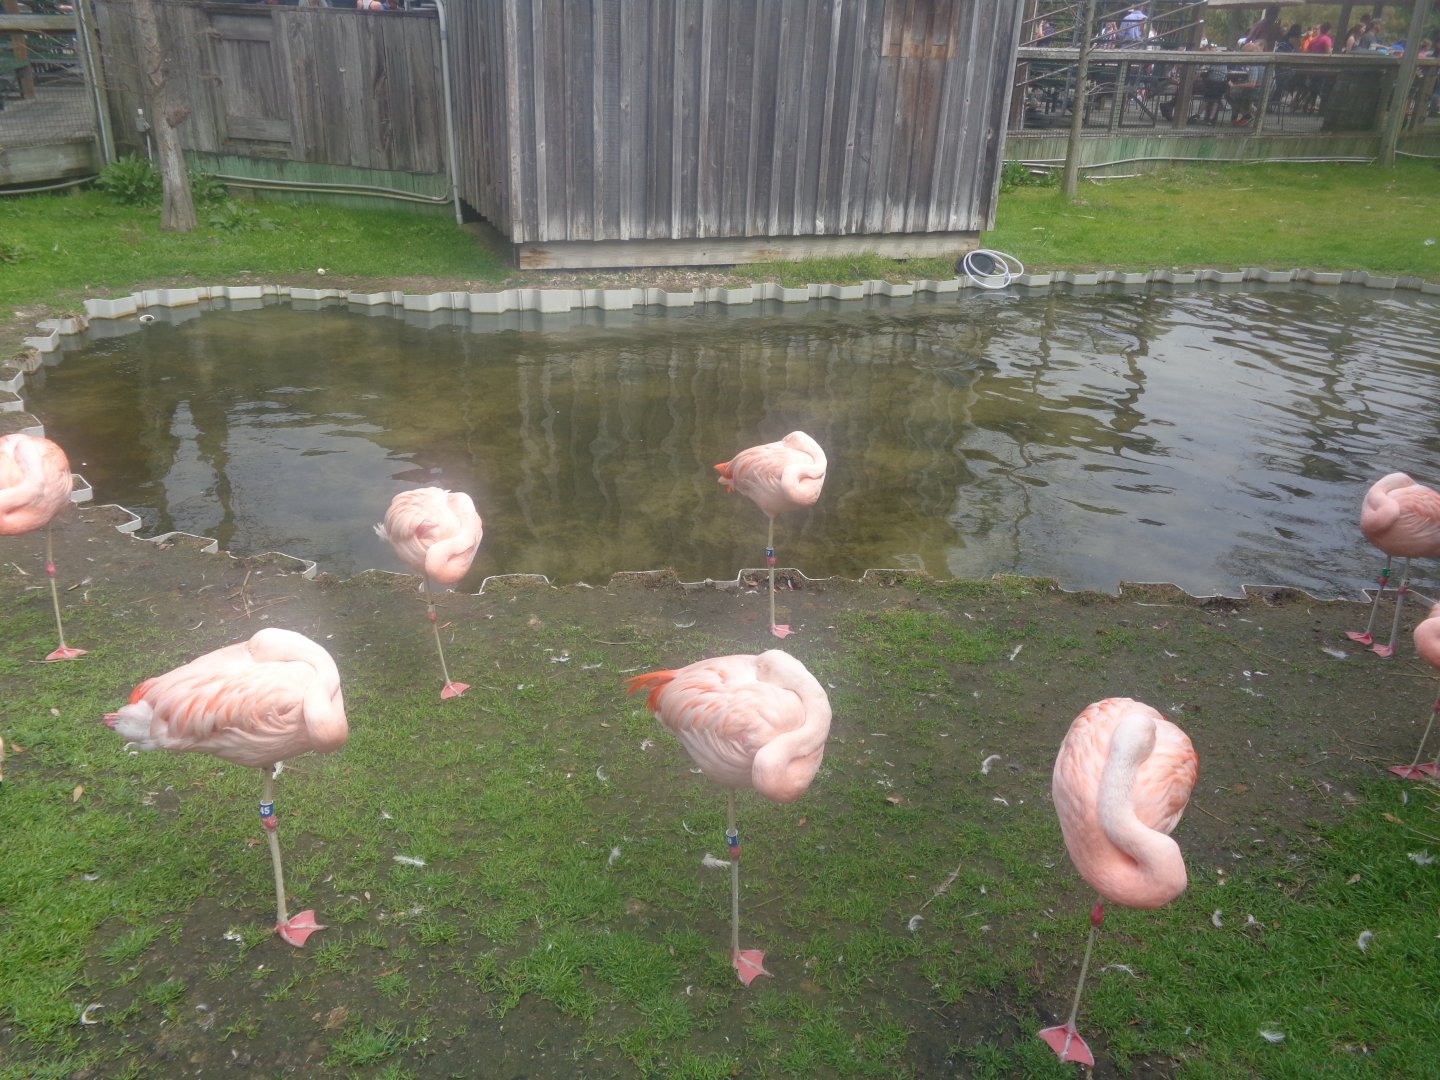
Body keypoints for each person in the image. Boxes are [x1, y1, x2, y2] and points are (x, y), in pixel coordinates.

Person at [1226, 39, 1265, 126]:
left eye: (1244, 54)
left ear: (1250, 53)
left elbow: (1252, 84)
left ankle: (1246, 116)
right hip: (1265, 90)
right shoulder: (1263, 61)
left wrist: (1234, 86)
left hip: (1258, 92)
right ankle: (1254, 118)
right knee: (1238, 93)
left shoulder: (1254, 64)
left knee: (1229, 94)